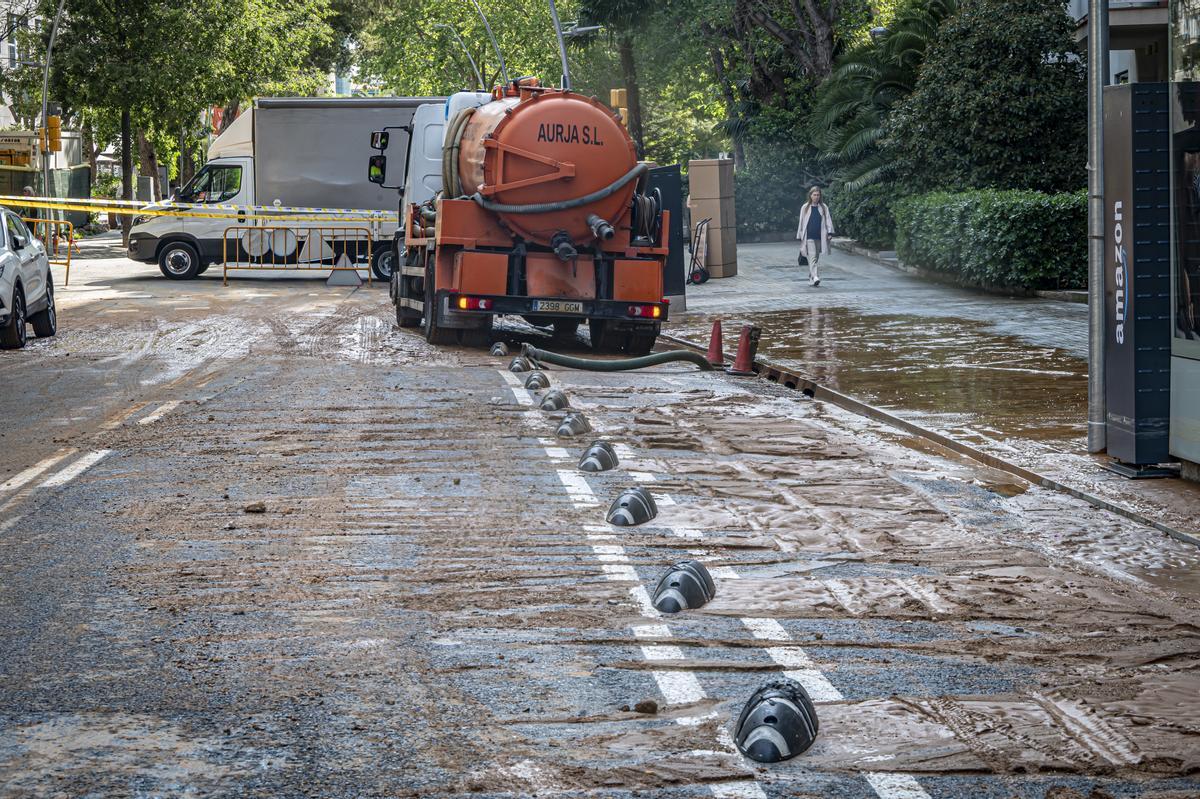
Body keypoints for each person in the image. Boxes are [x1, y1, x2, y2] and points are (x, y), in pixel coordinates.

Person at [796, 186, 834, 287]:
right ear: (810, 195)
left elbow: (828, 220)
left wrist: (830, 233)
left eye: (818, 195)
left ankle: (811, 276)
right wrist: (800, 235)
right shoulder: (805, 207)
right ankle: (816, 276)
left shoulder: (823, 207)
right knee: (812, 257)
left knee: (815, 257)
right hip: (809, 236)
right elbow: (801, 221)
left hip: (820, 236)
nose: (816, 197)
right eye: (814, 195)